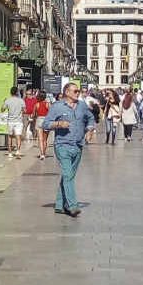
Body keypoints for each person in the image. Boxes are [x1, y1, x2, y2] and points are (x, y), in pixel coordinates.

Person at [42, 83, 97, 217]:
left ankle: (60, 204)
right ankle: (72, 205)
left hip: (78, 145)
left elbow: (90, 118)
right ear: (67, 92)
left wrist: (90, 129)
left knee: (69, 176)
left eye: (78, 91)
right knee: (68, 175)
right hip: (62, 145)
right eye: (75, 91)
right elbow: (45, 124)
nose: (78, 93)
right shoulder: (57, 107)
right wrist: (59, 124)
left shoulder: (82, 106)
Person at [3, 86, 27, 159]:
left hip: (10, 121)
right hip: (18, 121)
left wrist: (4, 102)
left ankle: (10, 153)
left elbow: (2, 109)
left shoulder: (8, 100)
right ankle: (18, 151)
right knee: (18, 136)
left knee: (10, 137)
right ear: (17, 92)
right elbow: (25, 110)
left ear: (10, 92)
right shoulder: (21, 101)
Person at [33, 92, 51, 160]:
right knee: (45, 139)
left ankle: (42, 154)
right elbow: (51, 113)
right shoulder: (48, 104)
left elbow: (33, 114)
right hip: (46, 121)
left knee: (40, 139)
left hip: (39, 120)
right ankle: (44, 152)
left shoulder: (36, 104)